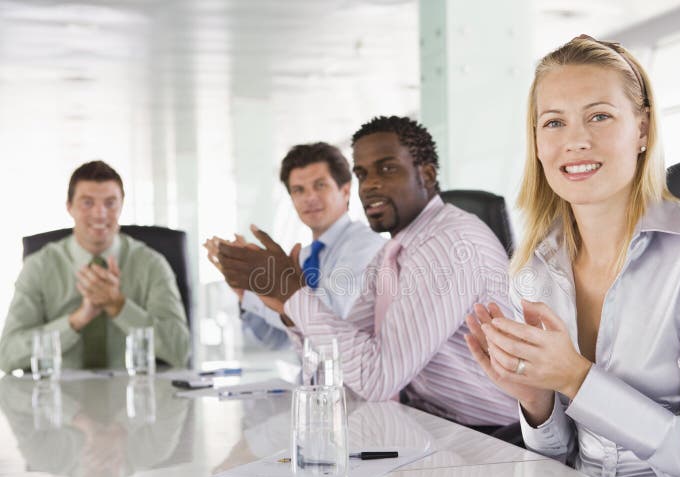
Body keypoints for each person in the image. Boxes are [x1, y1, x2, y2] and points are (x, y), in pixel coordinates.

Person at [465, 36, 680, 477]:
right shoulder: (535, 269)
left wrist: (576, 378)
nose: (575, 141)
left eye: (599, 116)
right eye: (554, 122)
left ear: (642, 129)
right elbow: (558, 458)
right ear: (537, 143)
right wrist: (536, 402)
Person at [217, 116, 517, 428]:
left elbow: (377, 380)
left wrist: (293, 293)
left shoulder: (449, 243)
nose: (370, 185)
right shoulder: (394, 253)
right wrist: (287, 307)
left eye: (387, 169)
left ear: (426, 175)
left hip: (487, 438)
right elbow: (333, 371)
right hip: (426, 427)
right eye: (362, 174)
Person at [0, 161, 189, 372]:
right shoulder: (39, 266)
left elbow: (180, 351)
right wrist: (78, 319)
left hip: (133, 389)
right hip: (59, 390)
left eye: (110, 203)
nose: (100, 213)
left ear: (122, 206)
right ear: (69, 207)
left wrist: (119, 306)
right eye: (87, 203)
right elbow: (7, 356)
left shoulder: (152, 264)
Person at [205, 142, 384, 350]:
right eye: (299, 190)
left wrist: (272, 288)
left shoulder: (365, 247)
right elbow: (278, 340)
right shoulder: (303, 257)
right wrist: (247, 290)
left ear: (345, 191)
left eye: (320, 185)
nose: (309, 198)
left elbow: (329, 320)